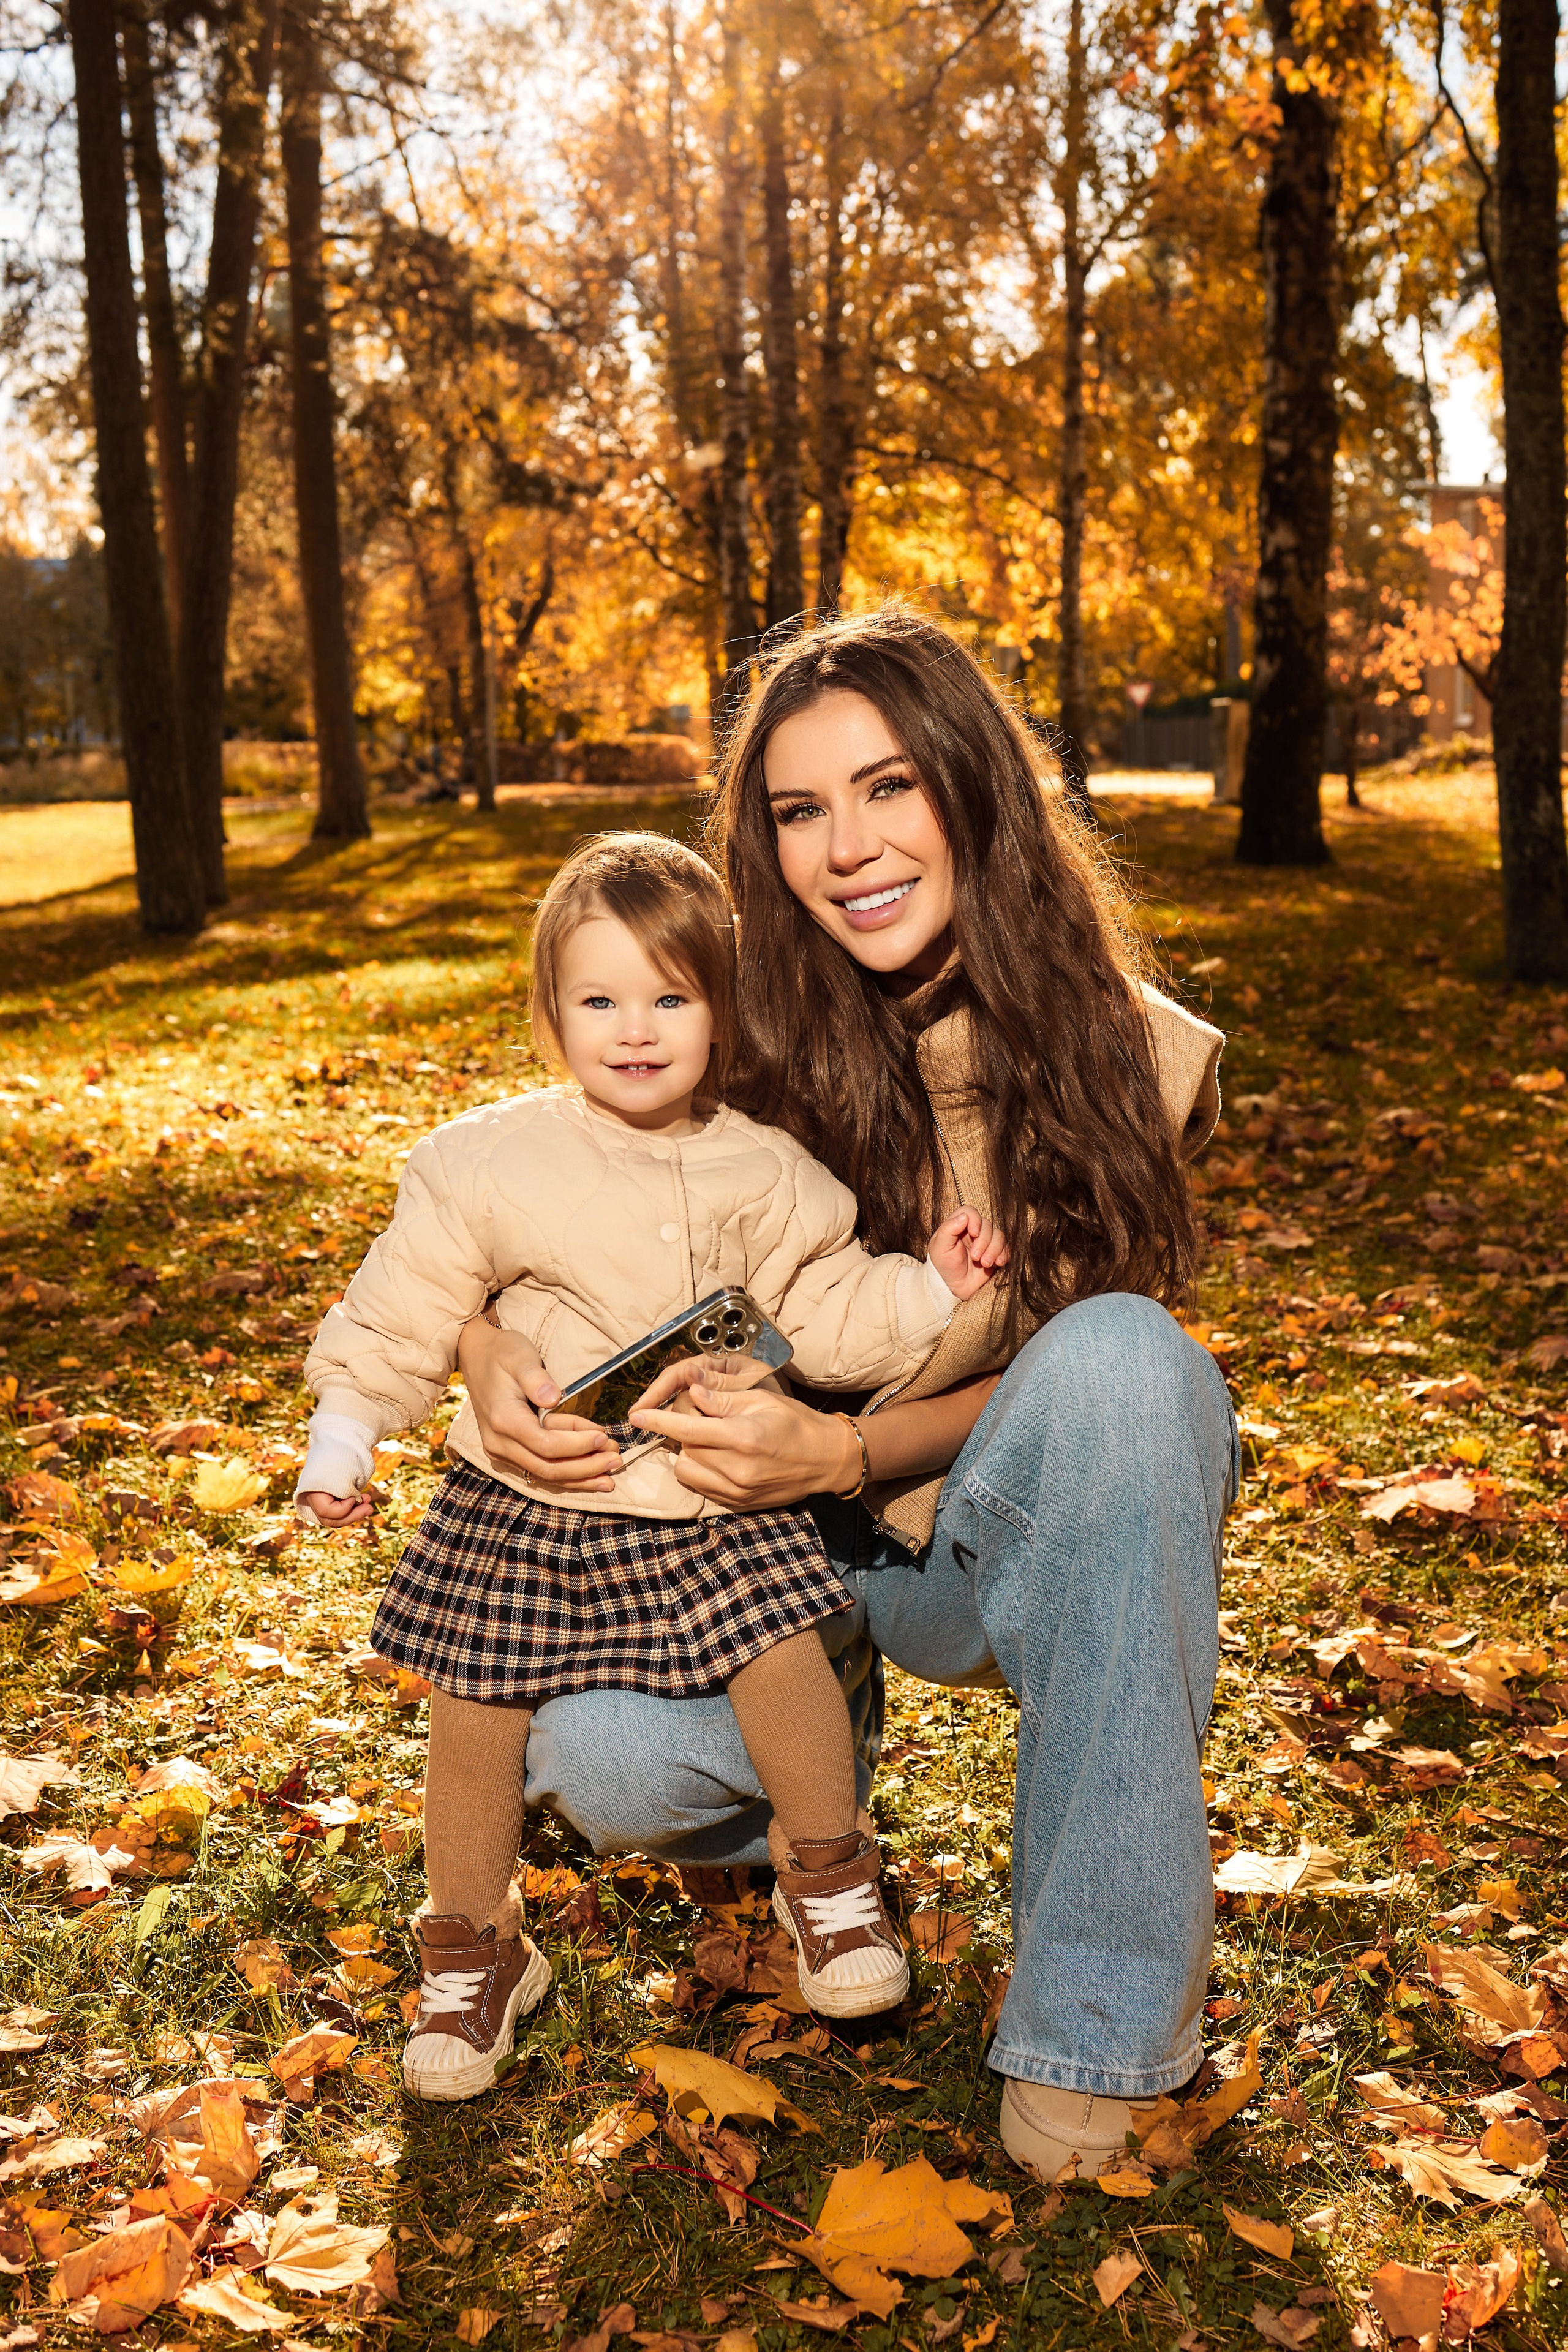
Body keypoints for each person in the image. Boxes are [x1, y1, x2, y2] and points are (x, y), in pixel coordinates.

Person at [456, 605, 1237, 2185]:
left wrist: (845, 1445)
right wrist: (485, 1352)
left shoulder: (1133, 1055)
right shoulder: (729, 1024)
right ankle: (815, 1794)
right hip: (747, 1555)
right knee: (600, 1768)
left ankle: (1097, 2010)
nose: (847, 846)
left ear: (971, 787)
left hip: (970, 1534)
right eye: (799, 810)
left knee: (1135, 1367)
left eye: (887, 788)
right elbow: (517, 1194)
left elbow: (1070, 1364)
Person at [294, 831, 1008, 2099]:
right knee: (472, 1710)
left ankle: (826, 1876)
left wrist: (927, 1289)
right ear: (548, 1012)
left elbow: (821, 1303)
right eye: (600, 999)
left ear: (719, 1014)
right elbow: (405, 1302)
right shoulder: (486, 1159)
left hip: (702, 1487)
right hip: (530, 1498)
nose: (635, 1029)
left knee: (773, 1644)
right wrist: (344, 1436)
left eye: (670, 997)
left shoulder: (764, 1168)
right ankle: (472, 1948)